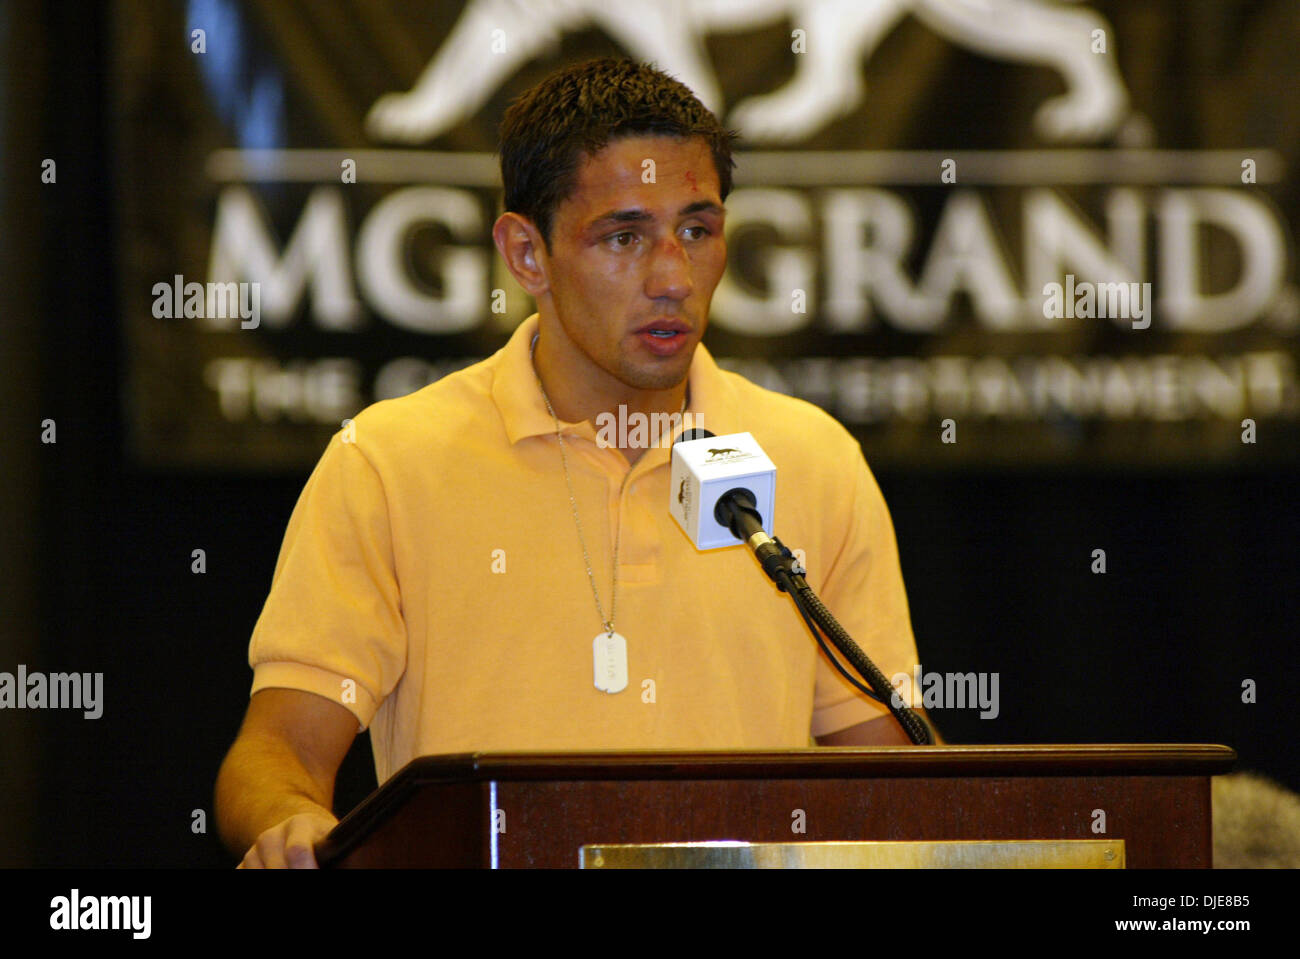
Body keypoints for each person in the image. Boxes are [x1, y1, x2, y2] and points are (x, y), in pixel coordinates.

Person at [215, 58, 927, 869]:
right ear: (526, 254)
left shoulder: (815, 461)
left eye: (697, 230)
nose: (672, 277)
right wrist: (289, 820)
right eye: (624, 237)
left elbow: (892, 785)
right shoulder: (386, 462)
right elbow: (277, 752)